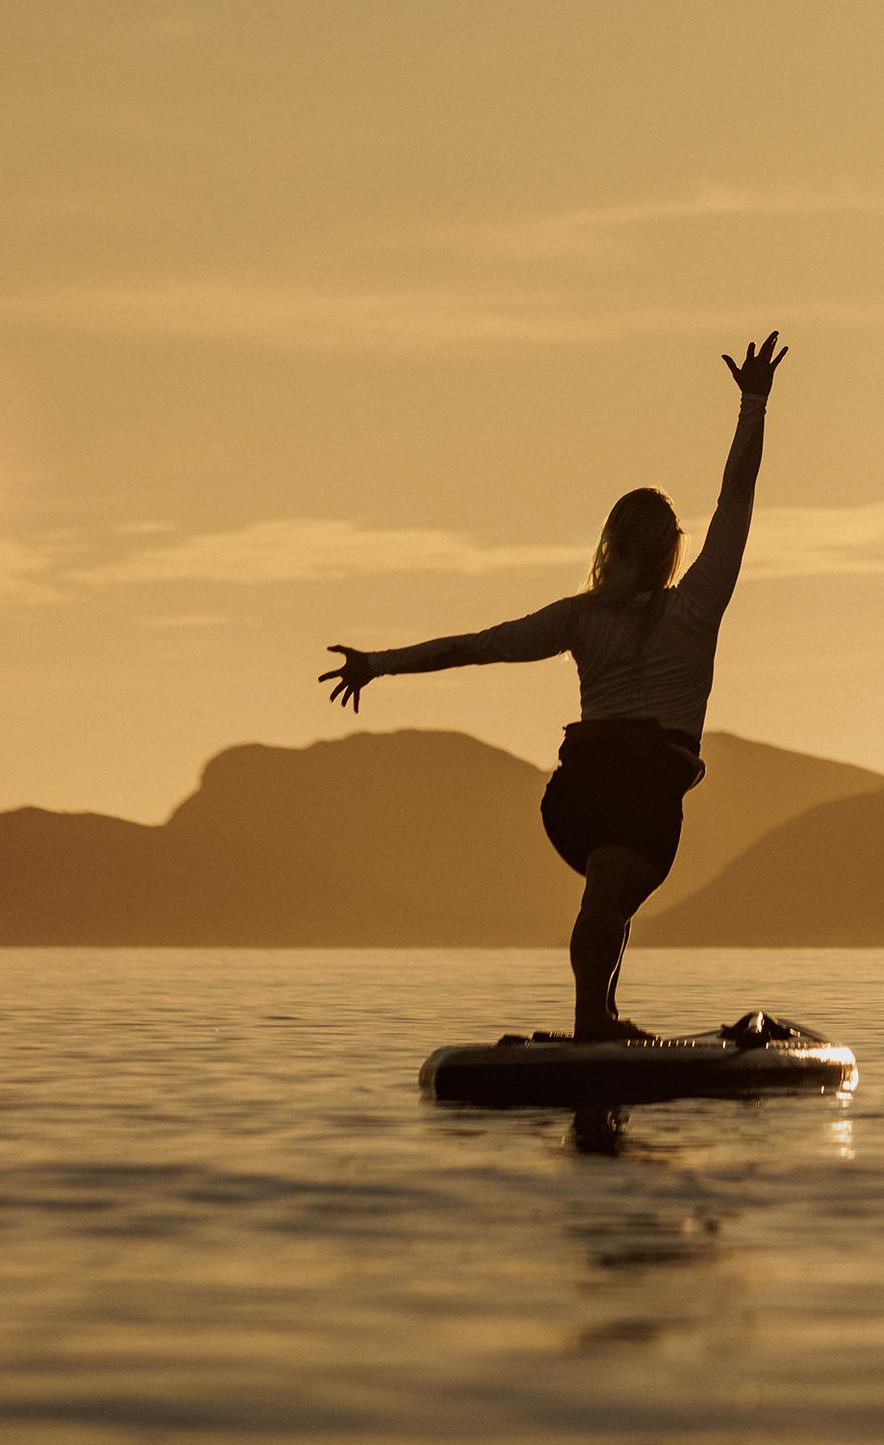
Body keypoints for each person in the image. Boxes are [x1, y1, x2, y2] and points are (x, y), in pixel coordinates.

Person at [319, 333, 785, 1041]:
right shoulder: (692, 608)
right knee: (607, 901)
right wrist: (753, 404)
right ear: (669, 550)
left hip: (575, 800)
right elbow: (735, 501)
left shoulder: (579, 618)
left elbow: (473, 647)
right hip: (640, 793)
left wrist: (378, 663)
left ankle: (597, 1018)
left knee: (609, 897)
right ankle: (590, 1025)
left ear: (612, 545)